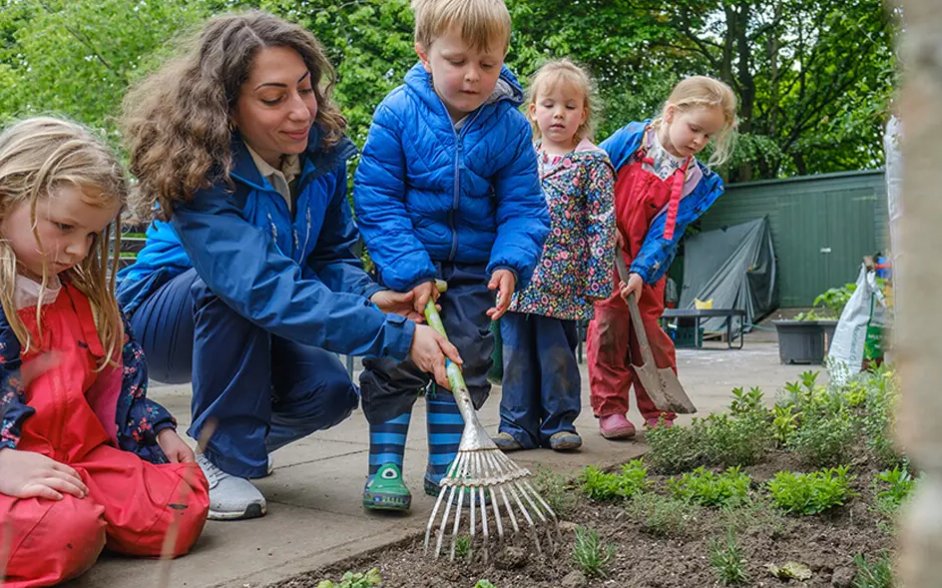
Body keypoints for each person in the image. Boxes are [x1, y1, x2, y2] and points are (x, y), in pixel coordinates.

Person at [115, 11, 461, 521]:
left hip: (252, 312)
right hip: (160, 319)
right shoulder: (203, 172)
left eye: (306, 88)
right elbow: (257, 287)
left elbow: (327, 256)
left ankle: (207, 451)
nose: (301, 111)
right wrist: (399, 336)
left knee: (329, 392)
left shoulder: (319, 157)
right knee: (229, 293)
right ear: (227, 107)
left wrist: (368, 297)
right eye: (274, 98)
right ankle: (215, 457)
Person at [353, 0, 549, 511]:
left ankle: (447, 463)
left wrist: (509, 262)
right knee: (394, 355)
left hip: (472, 272)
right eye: (457, 61)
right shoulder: (397, 112)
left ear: (503, 57)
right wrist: (411, 271)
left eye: (487, 65)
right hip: (408, 268)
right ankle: (385, 466)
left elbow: (523, 206)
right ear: (425, 55)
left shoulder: (508, 127)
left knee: (466, 356)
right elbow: (377, 200)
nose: (472, 76)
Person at [0, 117, 208, 587]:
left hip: (79, 457)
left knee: (181, 502)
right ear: (6, 197)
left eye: (92, 235)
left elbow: (119, 386)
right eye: (64, 227)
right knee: (59, 533)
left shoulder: (88, 299)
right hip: (9, 460)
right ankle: (69, 523)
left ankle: (80, 517)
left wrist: (155, 429)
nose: (78, 249)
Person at [587, 75, 738, 439]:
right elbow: (592, 172)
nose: (700, 141)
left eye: (708, 137)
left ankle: (659, 411)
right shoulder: (630, 140)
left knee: (649, 335)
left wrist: (641, 272)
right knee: (608, 326)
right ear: (671, 113)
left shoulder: (693, 179)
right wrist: (604, 221)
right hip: (607, 255)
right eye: (695, 130)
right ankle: (610, 409)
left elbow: (665, 233)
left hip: (649, 265)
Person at [491, 59, 615, 452]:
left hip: (564, 280)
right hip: (519, 278)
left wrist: (597, 280)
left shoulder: (592, 162)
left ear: (583, 114)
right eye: (548, 104)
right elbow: (504, 208)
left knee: (555, 353)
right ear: (533, 111)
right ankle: (515, 425)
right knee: (514, 354)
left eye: (569, 106)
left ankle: (559, 423)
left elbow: (602, 221)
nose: (558, 113)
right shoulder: (521, 157)